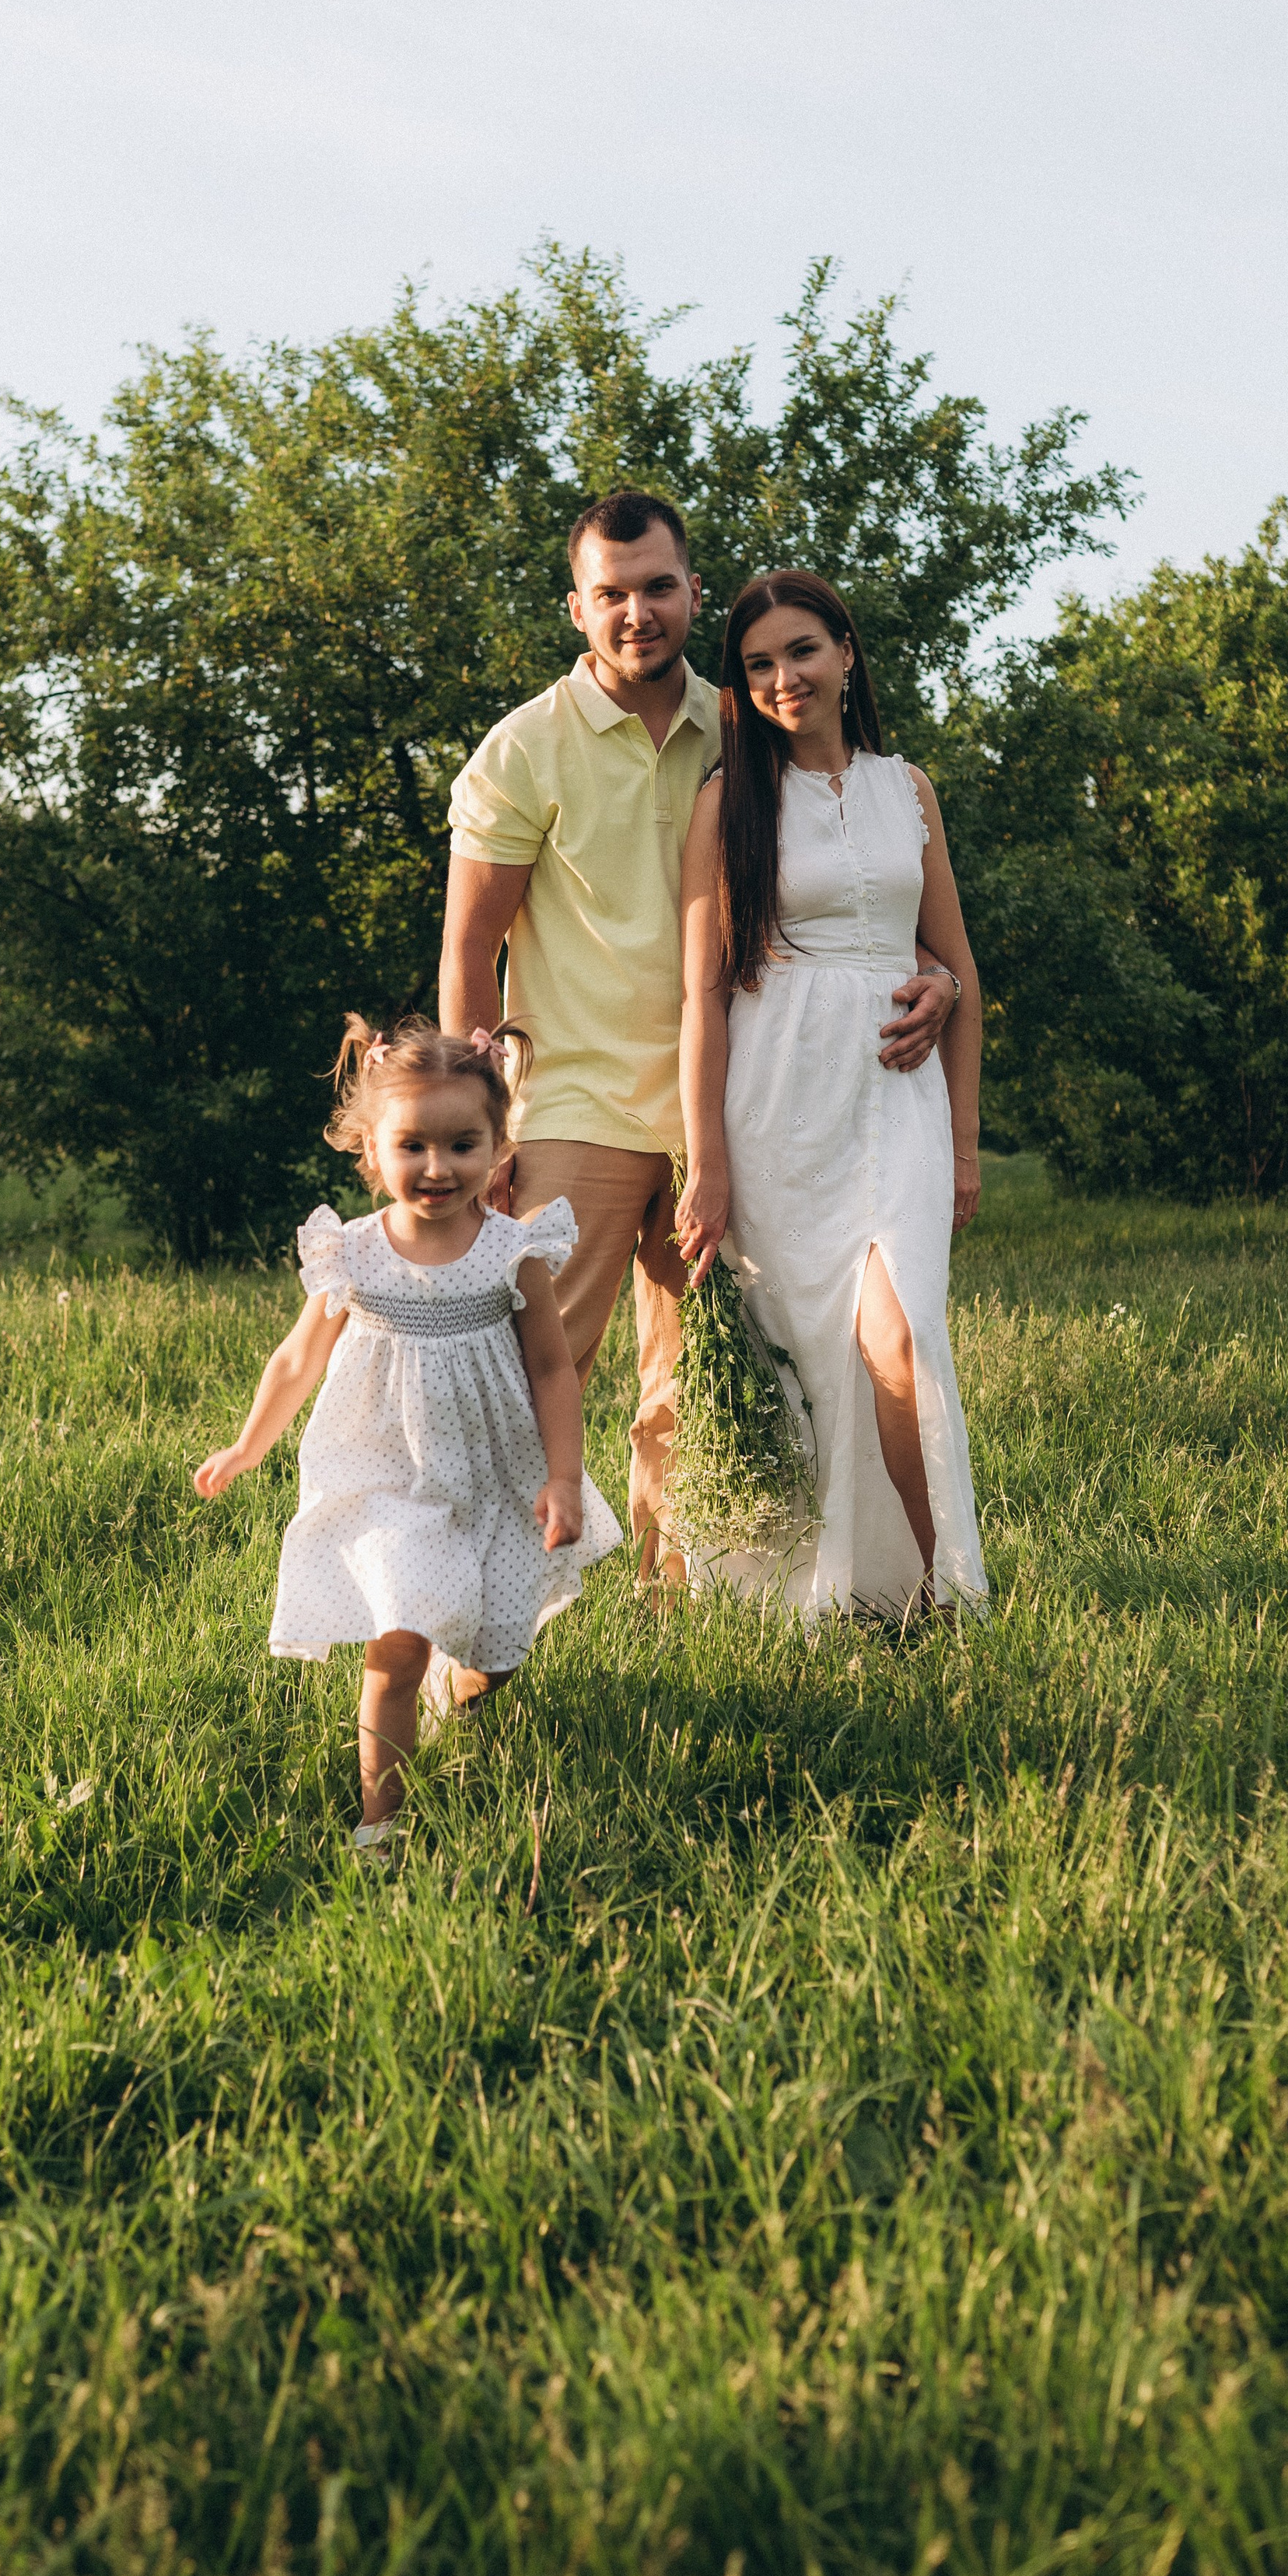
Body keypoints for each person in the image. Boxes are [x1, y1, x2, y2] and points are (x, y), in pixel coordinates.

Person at [441, 490, 957, 1580]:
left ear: (691, 590)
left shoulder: (745, 723)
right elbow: (469, 947)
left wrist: (941, 976)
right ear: (577, 607)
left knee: (695, 1389)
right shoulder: (523, 748)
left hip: (729, 1111)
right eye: (611, 594)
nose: (637, 612)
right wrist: (480, 1130)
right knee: (535, 1369)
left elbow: (850, 887)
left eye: (659, 587)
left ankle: (668, 1612)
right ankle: (474, 1613)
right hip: (575, 1102)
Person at [194, 1016, 621, 1853]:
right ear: (371, 1149)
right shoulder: (352, 1253)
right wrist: (247, 1445)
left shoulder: (513, 1251)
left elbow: (551, 1369)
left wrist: (564, 1477)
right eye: (413, 1145)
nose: (437, 1166)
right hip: (386, 1479)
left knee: (499, 1652)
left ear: (499, 1147)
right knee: (395, 1650)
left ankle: (461, 1690)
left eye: (462, 1145)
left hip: (494, 1474)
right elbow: (297, 1359)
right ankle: (379, 1822)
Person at [674, 569, 988, 1619]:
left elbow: (958, 967)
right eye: (758, 663)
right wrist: (708, 1163)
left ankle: (944, 1592)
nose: (783, 677)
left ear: (847, 653)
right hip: (779, 1100)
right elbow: (701, 994)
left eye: (802, 650)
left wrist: (965, 1140)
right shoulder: (728, 800)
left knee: (902, 1336)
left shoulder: (909, 788)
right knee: (810, 1350)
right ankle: (840, 1591)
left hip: (899, 1099)